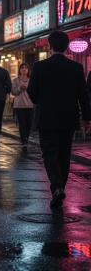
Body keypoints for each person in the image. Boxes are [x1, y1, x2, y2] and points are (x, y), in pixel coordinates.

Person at [27, 31, 91, 208]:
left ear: (49, 47)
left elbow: (31, 93)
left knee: (49, 153)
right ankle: (60, 187)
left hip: (46, 117)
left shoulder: (39, 67)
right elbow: (83, 95)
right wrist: (87, 118)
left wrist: (41, 102)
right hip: (68, 118)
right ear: (66, 46)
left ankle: (57, 187)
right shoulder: (76, 68)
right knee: (64, 154)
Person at [11, 63, 34, 151]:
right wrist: (20, 88)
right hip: (19, 105)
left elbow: (34, 91)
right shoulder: (16, 80)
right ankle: (23, 141)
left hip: (29, 104)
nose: (24, 69)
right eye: (22, 68)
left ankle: (26, 139)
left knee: (28, 124)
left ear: (28, 70)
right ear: (19, 70)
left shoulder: (31, 80)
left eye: (25, 68)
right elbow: (13, 92)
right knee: (22, 123)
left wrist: (28, 88)